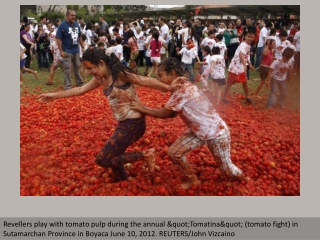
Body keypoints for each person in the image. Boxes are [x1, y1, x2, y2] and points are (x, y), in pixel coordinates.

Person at [39, 48, 182, 182]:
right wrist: (54, 96)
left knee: (103, 159)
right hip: (124, 123)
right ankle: (122, 179)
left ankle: (145, 154)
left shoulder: (118, 74)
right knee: (114, 155)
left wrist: (168, 87)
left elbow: (144, 80)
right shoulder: (99, 79)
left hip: (134, 124)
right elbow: (80, 90)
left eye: (90, 68)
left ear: (101, 63)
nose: (88, 72)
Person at [130, 57, 244, 189]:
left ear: (172, 74)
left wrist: (141, 108)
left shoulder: (182, 90)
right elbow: (172, 114)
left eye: (161, 76)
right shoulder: (180, 87)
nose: (159, 80)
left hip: (216, 133)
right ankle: (193, 180)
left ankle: (245, 180)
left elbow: (165, 114)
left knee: (227, 169)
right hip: (199, 130)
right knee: (174, 153)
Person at [222, 31, 255, 104]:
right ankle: (224, 97)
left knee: (245, 82)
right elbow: (241, 54)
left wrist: (249, 64)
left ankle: (247, 97)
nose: (250, 38)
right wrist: (244, 65)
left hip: (241, 68)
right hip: (235, 67)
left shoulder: (248, 45)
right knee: (229, 84)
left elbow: (246, 56)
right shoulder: (243, 44)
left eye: (252, 37)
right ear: (245, 37)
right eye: (249, 36)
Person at [56, 9, 86, 90]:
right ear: (67, 16)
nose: (74, 17)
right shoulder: (62, 26)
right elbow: (58, 38)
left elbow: (79, 36)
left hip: (76, 50)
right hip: (67, 51)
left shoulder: (76, 24)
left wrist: (82, 46)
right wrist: (61, 51)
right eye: (72, 15)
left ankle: (80, 83)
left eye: (75, 15)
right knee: (67, 69)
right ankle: (68, 86)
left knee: (77, 67)